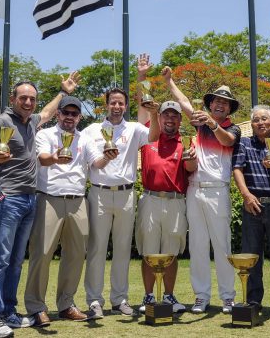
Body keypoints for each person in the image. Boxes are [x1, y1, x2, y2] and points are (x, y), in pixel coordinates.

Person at [0, 73, 80, 338]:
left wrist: (63, 93)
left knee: (16, 261)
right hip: (7, 197)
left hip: (30, 198)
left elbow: (46, 112)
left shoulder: (31, 122)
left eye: (32, 98)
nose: (28, 102)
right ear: (13, 99)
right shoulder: (1, 121)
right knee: (0, 260)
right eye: (23, 98)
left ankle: (9, 311)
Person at [23, 96, 117, 327]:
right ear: (59, 114)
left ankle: (66, 304)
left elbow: (97, 163)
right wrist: (56, 157)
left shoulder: (85, 138)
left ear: (79, 117)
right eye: (66, 113)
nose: (70, 117)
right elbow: (42, 158)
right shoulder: (45, 134)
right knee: (42, 254)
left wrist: (108, 155)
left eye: (74, 114)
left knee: (75, 256)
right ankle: (36, 307)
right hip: (49, 199)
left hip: (77, 201)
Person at [163, 66, 240, 314]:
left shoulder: (232, 128)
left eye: (224, 103)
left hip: (218, 190)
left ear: (229, 109)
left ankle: (228, 297)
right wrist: (170, 81)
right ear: (210, 104)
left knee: (222, 245)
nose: (219, 106)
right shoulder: (199, 123)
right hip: (194, 190)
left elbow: (228, 140)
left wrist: (212, 125)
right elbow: (183, 101)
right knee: (197, 245)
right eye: (216, 101)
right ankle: (201, 296)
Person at [82, 87, 160, 319]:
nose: (117, 107)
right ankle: (94, 301)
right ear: (106, 104)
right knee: (96, 249)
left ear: (125, 106)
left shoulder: (134, 128)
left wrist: (154, 114)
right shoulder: (92, 130)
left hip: (126, 194)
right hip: (99, 193)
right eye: (113, 103)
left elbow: (154, 137)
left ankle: (120, 300)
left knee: (123, 249)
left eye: (121, 103)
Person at [135, 54, 197, 314]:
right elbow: (142, 105)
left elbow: (191, 171)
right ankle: (149, 297)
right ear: (158, 118)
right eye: (165, 115)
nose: (170, 119)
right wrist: (142, 76)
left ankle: (169, 296)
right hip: (150, 199)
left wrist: (192, 160)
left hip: (175, 202)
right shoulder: (147, 136)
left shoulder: (187, 142)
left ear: (179, 120)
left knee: (172, 252)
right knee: (149, 251)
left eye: (174, 116)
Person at [232, 105, 270, 314]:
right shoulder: (243, 144)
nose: (261, 122)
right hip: (252, 204)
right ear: (252, 124)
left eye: (265, 118)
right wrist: (246, 195)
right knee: (251, 255)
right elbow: (237, 169)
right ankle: (254, 299)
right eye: (256, 119)